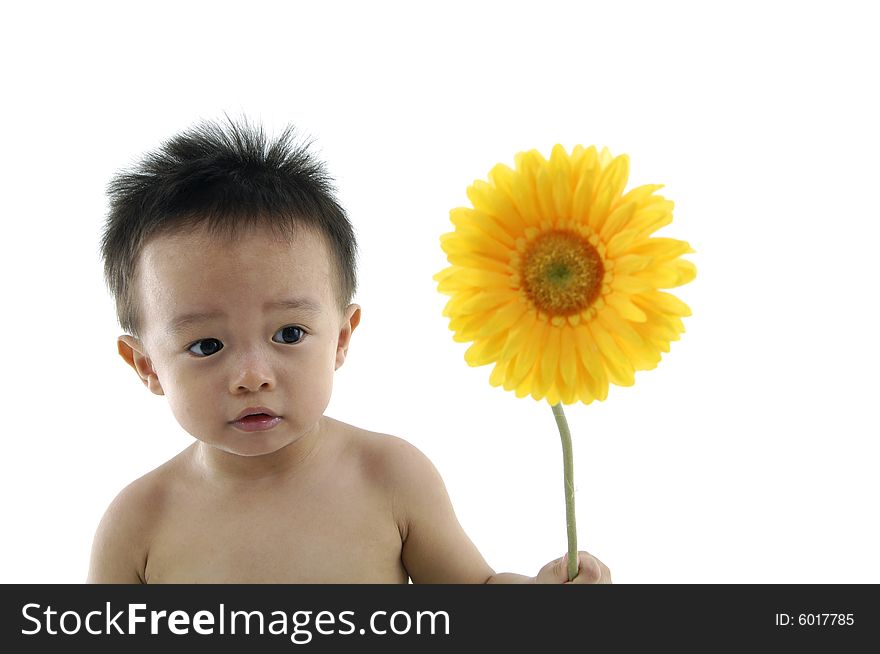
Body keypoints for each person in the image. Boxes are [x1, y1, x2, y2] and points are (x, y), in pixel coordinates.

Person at [87, 116, 612, 584]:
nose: (252, 376)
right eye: (207, 345)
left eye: (289, 334)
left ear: (341, 337)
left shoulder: (390, 476)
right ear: (147, 366)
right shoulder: (138, 525)